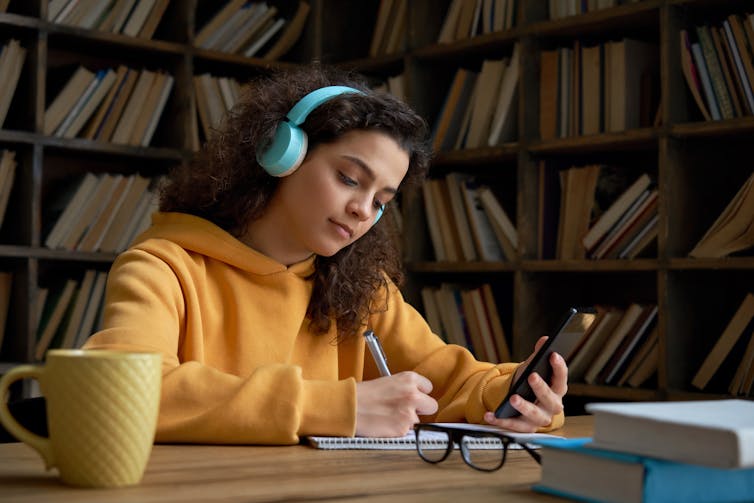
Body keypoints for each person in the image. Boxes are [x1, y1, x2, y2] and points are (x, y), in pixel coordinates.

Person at [83, 64, 567, 444]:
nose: (362, 210)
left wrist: (518, 396)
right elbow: (121, 392)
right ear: (283, 154)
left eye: (381, 201)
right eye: (349, 179)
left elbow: (451, 379)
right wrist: (340, 409)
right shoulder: (164, 268)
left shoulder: (363, 290)